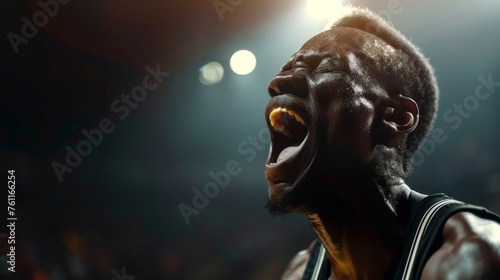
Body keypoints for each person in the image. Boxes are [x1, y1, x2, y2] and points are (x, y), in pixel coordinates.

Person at [263, 6, 500, 280]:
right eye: (287, 68)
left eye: (323, 66)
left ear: (396, 117)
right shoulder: (297, 273)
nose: (278, 82)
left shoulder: (472, 256)